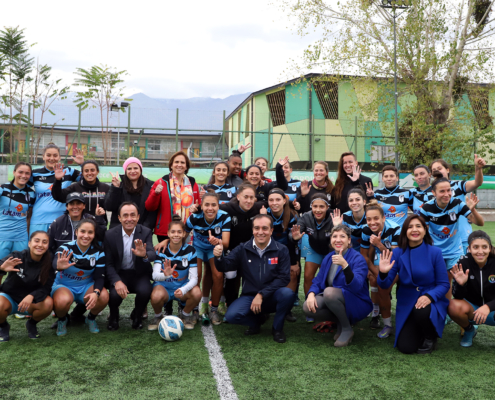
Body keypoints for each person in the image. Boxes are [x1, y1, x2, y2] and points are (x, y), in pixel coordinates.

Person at [213, 214, 293, 343]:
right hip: (250, 297)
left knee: (287, 294)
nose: (260, 232)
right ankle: (257, 322)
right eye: (257, 228)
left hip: (272, 295)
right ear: (252, 230)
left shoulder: (282, 249)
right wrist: (218, 257)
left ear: (271, 230)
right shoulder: (242, 248)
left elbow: (284, 278)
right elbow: (225, 266)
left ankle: (277, 329)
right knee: (231, 316)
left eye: (264, 228)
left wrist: (262, 294)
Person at [377, 215, 450, 354]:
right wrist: (383, 273)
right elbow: (385, 285)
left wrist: (429, 296)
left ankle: (430, 336)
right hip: (407, 302)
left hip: (430, 301)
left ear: (425, 230)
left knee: (421, 310)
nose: (414, 230)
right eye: (410, 227)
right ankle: (419, 329)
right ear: (405, 231)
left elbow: (443, 284)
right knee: (406, 347)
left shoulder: (435, 252)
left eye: (418, 226)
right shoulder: (397, 252)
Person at [304, 225, 372, 347]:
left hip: (357, 302)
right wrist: (311, 294)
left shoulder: (358, 258)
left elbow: (356, 286)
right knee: (307, 307)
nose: (338, 240)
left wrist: (345, 266)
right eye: (334, 236)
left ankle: (347, 329)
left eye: (342, 236)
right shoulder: (328, 258)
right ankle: (341, 322)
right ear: (331, 240)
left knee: (329, 293)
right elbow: (318, 280)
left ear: (349, 240)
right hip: (335, 300)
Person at [419, 177, 484, 299]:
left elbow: (480, 223)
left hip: (454, 251)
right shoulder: (426, 208)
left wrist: (473, 210)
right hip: (435, 250)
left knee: (449, 280)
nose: (447, 194)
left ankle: (447, 307)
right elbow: (423, 232)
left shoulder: (457, 203)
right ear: (433, 193)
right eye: (442, 191)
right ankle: (435, 305)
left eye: (449, 190)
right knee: (435, 280)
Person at [104, 202, 156, 330]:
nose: (129, 219)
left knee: (145, 291)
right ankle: (114, 316)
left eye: (133, 215)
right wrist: (117, 281)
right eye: (125, 215)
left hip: (139, 273)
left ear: (138, 217)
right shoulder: (110, 234)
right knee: (114, 295)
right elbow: (108, 263)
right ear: (119, 218)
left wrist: (144, 255)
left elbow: (152, 253)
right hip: (120, 273)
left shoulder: (145, 232)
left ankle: (137, 315)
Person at [52, 219, 109, 336]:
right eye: (83, 231)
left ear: (94, 234)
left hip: (85, 286)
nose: (86, 236)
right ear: (76, 232)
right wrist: (58, 265)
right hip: (64, 286)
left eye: (90, 232)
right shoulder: (66, 247)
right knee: (62, 301)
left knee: (103, 296)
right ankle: (63, 319)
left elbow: (100, 277)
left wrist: (96, 293)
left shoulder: (98, 252)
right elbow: (55, 262)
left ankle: (91, 318)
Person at [185, 191, 231, 325]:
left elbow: (226, 243)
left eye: (213, 205)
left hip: (214, 248)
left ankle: (214, 310)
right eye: (207, 205)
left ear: (218, 206)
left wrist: (217, 241)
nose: (210, 208)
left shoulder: (224, 217)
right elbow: (183, 235)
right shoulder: (194, 217)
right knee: (196, 276)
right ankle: (194, 310)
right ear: (201, 206)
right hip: (197, 248)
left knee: (218, 276)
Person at [149, 216, 201, 331]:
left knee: (197, 293)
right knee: (156, 296)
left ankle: (185, 315)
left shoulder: (191, 251)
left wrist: (183, 289)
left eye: (179, 232)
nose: (176, 235)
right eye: (173, 232)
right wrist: (166, 275)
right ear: (168, 233)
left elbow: (194, 278)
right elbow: (155, 276)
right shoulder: (161, 250)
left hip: (181, 287)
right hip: (165, 288)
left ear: (184, 234)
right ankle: (158, 316)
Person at [0, 231, 55, 341]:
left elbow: (46, 288)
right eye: (37, 241)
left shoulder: (50, 262)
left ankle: (31, 324)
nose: (40, 245)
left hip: (31, 302)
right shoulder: (17, 256)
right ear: (29, 243)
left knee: (48, 303)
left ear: (48, 245)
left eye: (44, 242)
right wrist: (1, 270)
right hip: (10, 298)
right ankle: (3, 326)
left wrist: (32, 295)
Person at [290, 193, 334, 322]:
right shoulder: (306, 217)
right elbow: (295, 233)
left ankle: (328, 307)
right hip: (314, 249)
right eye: (315, 206)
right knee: (308, 276)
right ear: (311, 207)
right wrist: (294, 237)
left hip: (330, 252)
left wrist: (337, 226)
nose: (318, 210)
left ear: (327, 207)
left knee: (329, 279)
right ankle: (309, 306)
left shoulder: (333, 217)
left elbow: (341, 235)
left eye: (322, 206)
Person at [361, 200, 401, 338]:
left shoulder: (395, 228)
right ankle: (379, 316)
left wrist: (379, 245)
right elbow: (365, 256)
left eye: (376, 218)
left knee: (383, 287)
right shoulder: (366, 230)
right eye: (369, 219)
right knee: (375, 280)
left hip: (398, 263)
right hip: (381, 261)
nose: (372, 222)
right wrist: (375, 272)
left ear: (383, 218)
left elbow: (396, 257)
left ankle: (388, 323)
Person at [220, 184, 264, 308]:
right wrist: (196, 208)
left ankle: (253, 305)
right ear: (238, 196)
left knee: (253, 277)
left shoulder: (258, 207)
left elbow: (279, 202)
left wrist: (295, 203)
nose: (249, 201)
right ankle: (230, 304)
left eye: (251, 197)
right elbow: (210, 207)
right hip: (232, 251)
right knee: (231, 278)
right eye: (246, 197)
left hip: (251, 251)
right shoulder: (227, 208)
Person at [431, 155, 486, 253]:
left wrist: (478, 168)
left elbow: (477, 183)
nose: (437, 171)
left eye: (439, 168)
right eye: (434, 170)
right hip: (441, 241)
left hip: (462, 237)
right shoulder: (431, 193)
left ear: (447, 170)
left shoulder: (458, 186)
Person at [449, 231, 495, 347]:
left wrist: (488, 306)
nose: (480, 251)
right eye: (475, 247)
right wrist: (461, 284)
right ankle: (469, 330)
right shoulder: (463, 263)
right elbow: (457, 296)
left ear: (489, 248)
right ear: (469, 249)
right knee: (453, 306)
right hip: (472, 310)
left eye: (484, 247)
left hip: (492, 309)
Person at [145, 150, 201, 242]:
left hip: (188, 231)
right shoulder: (161, 182)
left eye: (182, 162)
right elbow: (149, 207)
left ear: (186, 166)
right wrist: (156, 193)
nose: (179, 165)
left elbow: (199, 206)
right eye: (176, 162)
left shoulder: (193, 184)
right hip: (166, 231)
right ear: (171, 165)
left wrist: (197, 208)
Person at [262, 188, 300, 321]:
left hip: (287, 250)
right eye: (271, 200)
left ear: (284, 201)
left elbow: (292, 242)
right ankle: (264, 307)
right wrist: (263, 219)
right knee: (264, 274)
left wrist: (294, 262)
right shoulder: (264, 214)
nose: (274, 203)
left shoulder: (293, 216)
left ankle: (286, 309)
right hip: (268, 250)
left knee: (293, 273)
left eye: (278, 199)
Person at [29, 144, 84, 234]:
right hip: (39, 220)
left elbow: (90, 180)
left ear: (59, 157)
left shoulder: (69, 171)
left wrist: (82, 164)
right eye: (48, 155)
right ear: (43, 157)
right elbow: (20, 186)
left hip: (62, 220)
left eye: (55, 155)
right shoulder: (35, 174)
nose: (52, 158)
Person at [51, 160, 110, 225]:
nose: (89, 173)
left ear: (97, 172)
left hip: (99, 225)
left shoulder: (106, 188)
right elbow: (58, 196)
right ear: (82, 173)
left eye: (92, 170)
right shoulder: (75, 187)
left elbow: (111, 206)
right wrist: (58, 180)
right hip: (79, 226)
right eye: (86, 171)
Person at [105, 157, 156, 230]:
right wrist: (115, 188)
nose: (132, 171)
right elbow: (109, 207)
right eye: (129, 169)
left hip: (142, 230)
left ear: (140, 170)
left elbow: (152, 212)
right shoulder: (119, 186)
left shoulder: (150, 186)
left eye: (135, 168)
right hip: (120, 230)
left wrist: (144, 229)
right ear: (125, 171)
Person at [0, 162, 36, 259]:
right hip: (2, 236)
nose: (23, 176)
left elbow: (29, 217)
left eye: (27, 173)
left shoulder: (32, 194)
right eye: (20, 172)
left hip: (21, 238)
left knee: (20, 267)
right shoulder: (3, 188)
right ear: (14, 172)